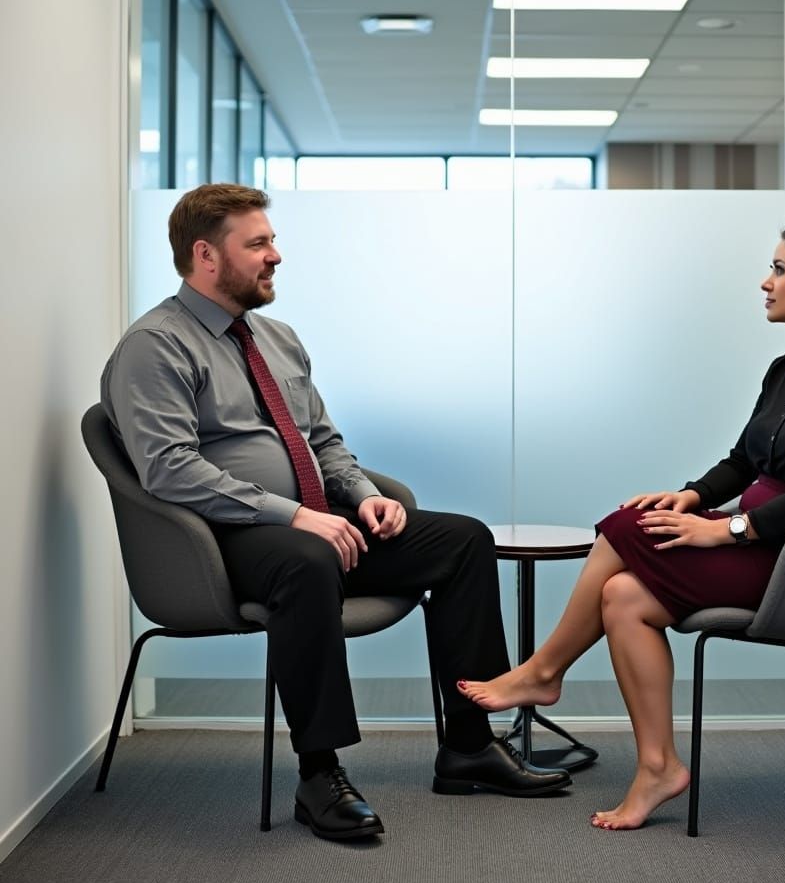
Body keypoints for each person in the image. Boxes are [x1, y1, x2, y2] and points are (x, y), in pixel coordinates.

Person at [101, 183, 570, 843]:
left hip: (317, 527)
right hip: (225, 543)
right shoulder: (156, 346)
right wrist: (291, 515)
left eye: (273, 240)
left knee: (463, 540)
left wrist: (361, 494)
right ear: (206, 256)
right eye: (258, 243)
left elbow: (321, 440)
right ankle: (319, 775)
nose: (276, 255)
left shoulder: (277, 338)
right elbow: (169, 469)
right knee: (309, 558)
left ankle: (469, 746)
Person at [458, 218, 785, 831]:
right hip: (763, 533)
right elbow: (744, 460)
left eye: (779, 270)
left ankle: (543, 672)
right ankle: (658, 766)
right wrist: (690, 497)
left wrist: (726, 530)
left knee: (623, 525)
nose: (765, 282)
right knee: (623, 593)